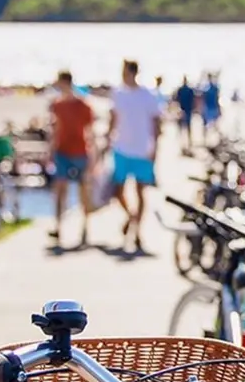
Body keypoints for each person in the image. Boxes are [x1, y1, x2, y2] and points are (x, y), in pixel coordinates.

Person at [104, 59, 161, 252]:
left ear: (132, 72)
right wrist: (107, 140)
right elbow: (112, 119)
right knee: (117, 191)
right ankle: (131, 216)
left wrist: (155, 148)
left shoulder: (148, 96)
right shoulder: (117, 94)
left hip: (142, 149)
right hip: (121, 149)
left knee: (140, 192)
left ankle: (137, 231)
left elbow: (156, 123)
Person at [48, 70, 96, 247]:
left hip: (80, 152)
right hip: (62, 151)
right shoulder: (57, 105)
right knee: (60, 190)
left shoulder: (83, 105)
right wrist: (51, 150)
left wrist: (93, 157)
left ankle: (85, 227)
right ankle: (58, 226)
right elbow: (55, 128)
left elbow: (90, 133)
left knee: (84, 192)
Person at [175, 76, 197, 153]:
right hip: (185, 111)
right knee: (186, 128)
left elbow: (177, 100)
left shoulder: (181, 90)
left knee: (185, 128)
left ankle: (186, 144)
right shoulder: (186, 90)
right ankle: (185, 144)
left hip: (185, 111)